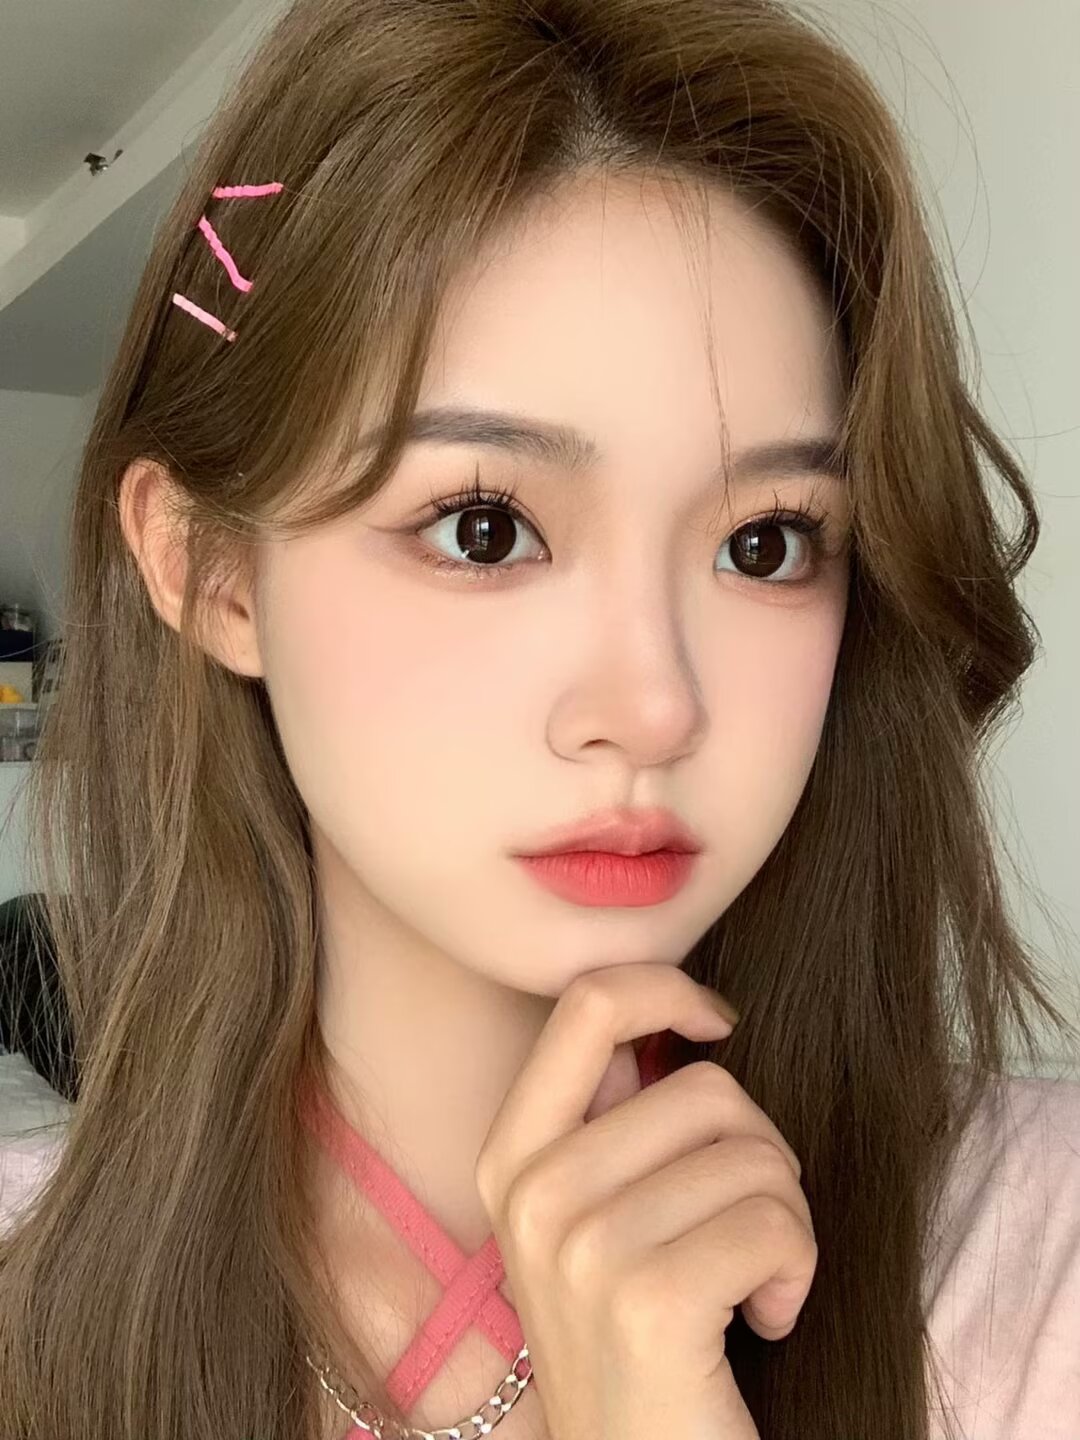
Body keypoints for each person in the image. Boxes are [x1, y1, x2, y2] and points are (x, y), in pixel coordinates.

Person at [1, 1, 1078, 1437]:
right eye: (486, 528)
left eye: (765, 543)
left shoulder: (1039, 1257)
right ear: (212, 571)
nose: (656, 705)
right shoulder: (31, 1308)